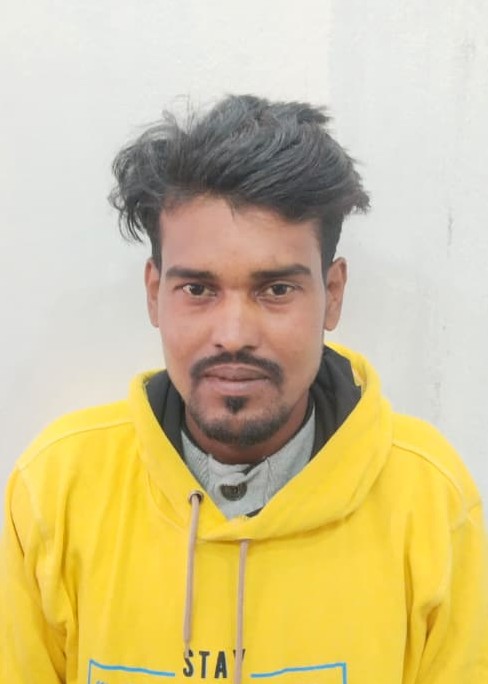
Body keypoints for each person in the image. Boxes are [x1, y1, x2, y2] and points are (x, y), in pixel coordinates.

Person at [1, 95, 486, 684]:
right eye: (198, 290)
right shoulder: (58, 491)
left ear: (332, 295)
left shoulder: (429, 501)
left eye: (276, 290)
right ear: (154, 294)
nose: (233, 335)